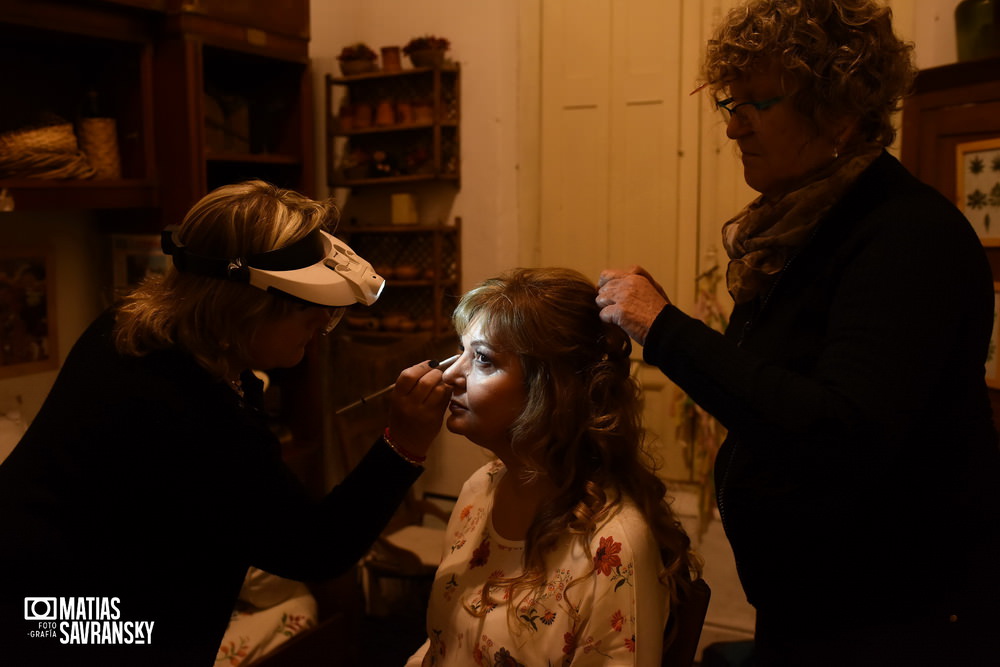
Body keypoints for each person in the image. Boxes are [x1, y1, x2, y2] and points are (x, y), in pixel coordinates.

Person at [596, 1, 1000, 664]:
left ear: (841, 110)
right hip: (814, 616)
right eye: (730, 100)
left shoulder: (906, 237)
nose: (732, 125)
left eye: (757, 102)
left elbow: (835, 431)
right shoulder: (803, 227)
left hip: (896, 627)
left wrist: (663, 328)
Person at [0, 180, 451, 665]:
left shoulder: (134, 326)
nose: (321, 329)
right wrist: (403, 443)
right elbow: (316, 548)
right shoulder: (187, 410)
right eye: (309, 316)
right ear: (248, 309)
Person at [405, 267, 701, 667]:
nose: (451, 375)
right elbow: (445, 645)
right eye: (460, 352)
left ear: (552, 389)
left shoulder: (612, 546)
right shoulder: (481, 489)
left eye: (483, 359)